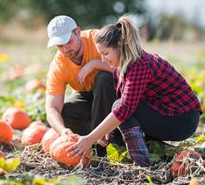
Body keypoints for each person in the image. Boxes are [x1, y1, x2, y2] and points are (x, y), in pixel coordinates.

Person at [67, 14, 202, 167]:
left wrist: (89, 138)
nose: (102, 60)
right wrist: (106, 132)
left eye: (105, 54)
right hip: (163, 112)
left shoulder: (140, 65)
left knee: (120, 108)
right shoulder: (121, 68)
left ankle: (142, 164)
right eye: (100, 55)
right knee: (115, 135)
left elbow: (124, 108)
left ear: (120, 47)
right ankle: (162, 155)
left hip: (183, 119)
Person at [45, 15, 121, 156]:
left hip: (119, 95)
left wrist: (95, 64)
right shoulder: (59, 65)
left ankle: (103, 148)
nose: (65, 48)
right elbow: (52, 107)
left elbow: (129, 67)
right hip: (91, 98)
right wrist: (62, 131)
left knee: (104, 78)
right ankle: (96, 138)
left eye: (68, 41)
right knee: (65, 113)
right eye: (60, 45)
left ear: (78, 32)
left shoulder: (99, 39)